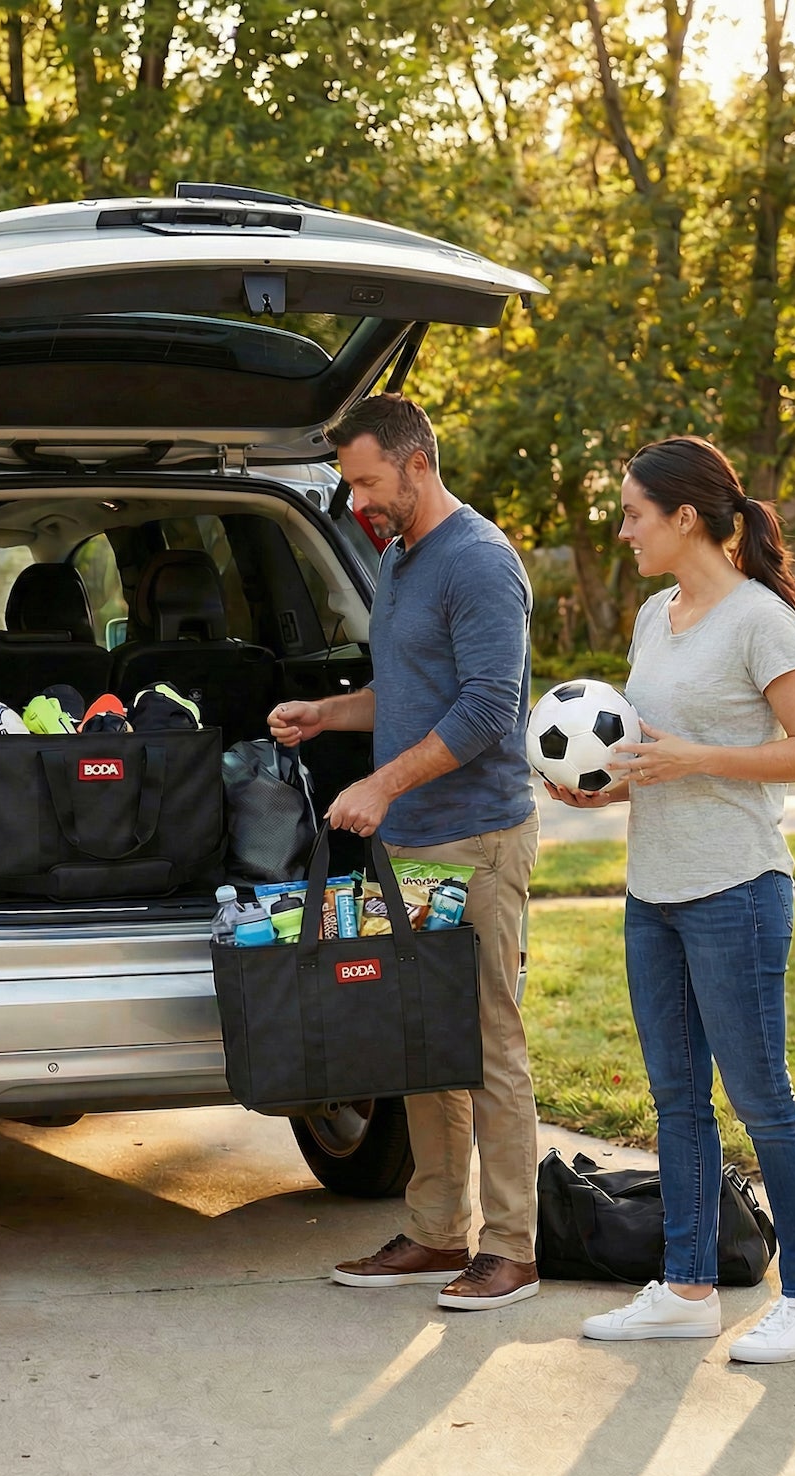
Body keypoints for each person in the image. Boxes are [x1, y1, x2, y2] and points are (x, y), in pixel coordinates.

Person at [550, 436, 795, 1363]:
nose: (623, 530)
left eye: (634, 513)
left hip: (737, 890)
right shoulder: (653, 615)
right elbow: (659, 760)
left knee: (762, 1099)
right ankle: (686, 1288)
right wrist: (604, 789)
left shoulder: (761, 619)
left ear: (685, 517)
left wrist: (694, 758)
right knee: (677, 1100)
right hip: (654, 890)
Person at [270, 394, 542, 1310]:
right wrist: (328, 714)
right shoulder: (399, 558)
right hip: (417, 844)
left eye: (367, 482)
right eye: (351, 486)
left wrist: (382, 785)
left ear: (417, 462)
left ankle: (512, 1250)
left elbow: (488, 707)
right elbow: (410, 691)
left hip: (479, 835)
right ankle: (435, 1233)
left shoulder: (480, 560)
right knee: (424, 1043)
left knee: (487, 1042)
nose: (359, 502)